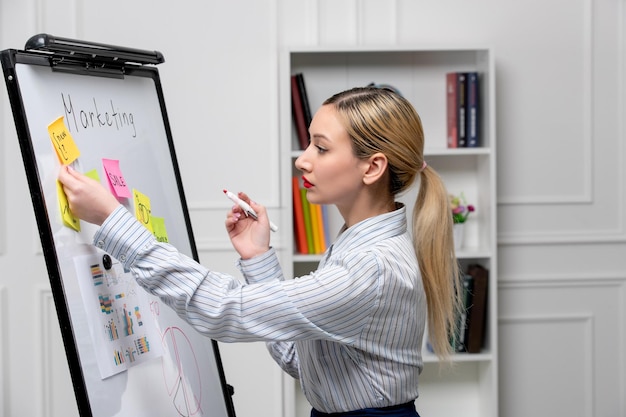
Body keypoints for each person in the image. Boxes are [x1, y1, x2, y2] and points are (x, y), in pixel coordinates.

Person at [58, 86, 461, 417]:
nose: (303, 160)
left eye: (321, 148)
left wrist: (115, 221)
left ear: (372, 168)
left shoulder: (370, 268)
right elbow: (303, 362)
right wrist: (257, 257)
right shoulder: (357, 246)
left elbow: (225, 309)